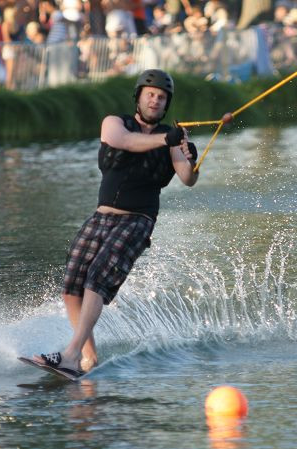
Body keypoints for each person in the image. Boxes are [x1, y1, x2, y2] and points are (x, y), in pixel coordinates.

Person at [31, 69, 199, 377]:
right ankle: (88, 359)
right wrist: (168, 139)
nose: (155, 100)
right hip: (102, 216)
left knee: (97, 277)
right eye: (150, 94)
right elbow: (123, 141)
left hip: (138, 220)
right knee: (71, 288)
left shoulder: (173, 138)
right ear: (138, 97)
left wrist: (191, 158)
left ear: (166, 105)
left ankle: (69, 354)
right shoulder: (115, 123)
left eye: (161, 98)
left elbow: (187, 178)